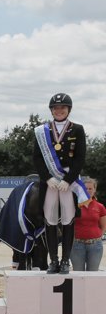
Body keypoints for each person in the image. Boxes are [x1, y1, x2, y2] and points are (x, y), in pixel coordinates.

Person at [32, 92, 88, 274]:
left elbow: (80, 158)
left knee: (68, 219)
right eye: (55, 108)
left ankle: (65, 261)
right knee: (49, 219)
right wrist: (47, 177)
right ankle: (53, 260)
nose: (59, 110)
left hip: (68, 180)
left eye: (62, 107)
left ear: (68, 109)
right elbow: (37, 158)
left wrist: (68, 179)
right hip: (50, 181)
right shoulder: (42, 131)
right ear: (51, 110)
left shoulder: (77, 129)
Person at [70, 177, 106, 271]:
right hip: (76, 245)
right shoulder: (74, 205)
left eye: (91, 188)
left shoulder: (100, 207)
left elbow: (103, 226)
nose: (88, 190)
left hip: (95, 246)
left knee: (92, 274)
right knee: (78, 274)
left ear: (94, 190)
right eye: (86, 188)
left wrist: (98, 237)